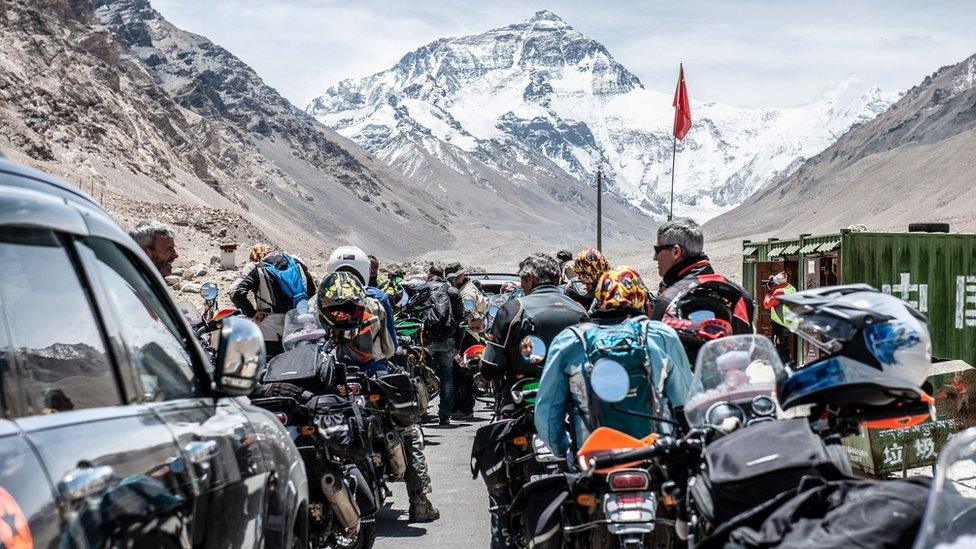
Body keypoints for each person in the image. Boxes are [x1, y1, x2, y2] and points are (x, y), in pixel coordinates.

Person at [318, 271, 441, 522]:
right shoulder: (375, 298)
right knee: (408, 431)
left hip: (331, 375)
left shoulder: (317, 301)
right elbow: (389, 345)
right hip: (373, 376)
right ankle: (419, 501)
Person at [535, 267, 693, 458]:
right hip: (653, 454)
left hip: (592, 458)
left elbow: (547, 409)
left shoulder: (569, 340)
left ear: (598, 299)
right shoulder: (660, 335)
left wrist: (563, 450)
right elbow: (684, 396)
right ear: (642, 299)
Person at [481, 253, 588, 405]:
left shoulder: (515, 308)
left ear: (530, 277)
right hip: (571, 399)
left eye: (522, 280)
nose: (522, 286)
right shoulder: (579, 309)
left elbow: (489, 366)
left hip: (523, 399)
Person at [650, 218, 754, 362]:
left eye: (657, 250)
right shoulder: (741, 295)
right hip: (734, 382)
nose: (654, 257)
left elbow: (657, 358)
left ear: (675, 251)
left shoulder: (668, 299)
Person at [230, 247, 316, 358]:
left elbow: (235, 291)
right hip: (299, 326)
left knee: (271, 368)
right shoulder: (296, 262)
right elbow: (312, 290)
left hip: (270, 330)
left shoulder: (256, 267)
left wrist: (251, 313)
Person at [326, 246, 396, 372]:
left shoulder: (319, 300)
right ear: (364, 269)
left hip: (331, 369)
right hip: (373, 368)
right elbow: (390, 348)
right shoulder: (378, 298)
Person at [424, 264, 465, 425]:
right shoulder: (453, 291)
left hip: (426, 341)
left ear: (429, 275)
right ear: (443, 275)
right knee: (447, 377)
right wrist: (458, 346)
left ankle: (423, 413)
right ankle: (444, 415)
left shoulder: (422, 289)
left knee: (424, 376)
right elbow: (461, 321)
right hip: (448, 341)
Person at [446, 262, 489, 420]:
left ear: (460, 276)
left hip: (467, 336)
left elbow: (465, 321)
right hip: (469, 335)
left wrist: (458, 345)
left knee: (462, 372)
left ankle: (465, 408)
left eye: (455, 277)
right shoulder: (465, 289)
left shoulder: (467, 294)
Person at [762, 271, 797, 363]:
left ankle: (782, 365)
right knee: (785, 345)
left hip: (780, 323)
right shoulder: (791, 288)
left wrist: (769, 292)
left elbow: (767, 304)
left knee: (779, 346)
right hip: (788, 322)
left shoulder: (779, 292)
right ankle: (787, 363)